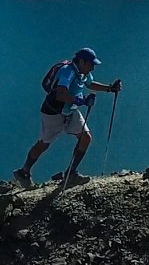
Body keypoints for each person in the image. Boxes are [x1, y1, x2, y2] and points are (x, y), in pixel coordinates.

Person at [14, 48, 121, 189]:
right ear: (82, 62)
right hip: (54, 113)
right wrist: (82, 101)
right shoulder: (67, 71)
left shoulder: (83, 73)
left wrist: (110, 88)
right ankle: (24, 172)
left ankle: (71, 174)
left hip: (70, 111)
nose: (93, 67)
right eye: (91, 64)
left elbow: (90, 84)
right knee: (43, 144)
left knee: (86, 138)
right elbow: (60, 94)